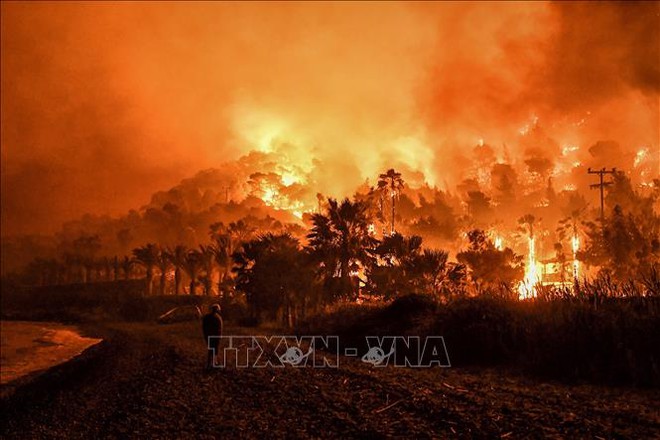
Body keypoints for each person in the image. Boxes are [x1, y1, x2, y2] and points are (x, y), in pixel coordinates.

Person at [202, 303, 223, 369]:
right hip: (215, 337)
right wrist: (219, 337)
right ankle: (214, 363)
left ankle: (209, 363)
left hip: (208, 336)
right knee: (215, 350)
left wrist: (205, 336)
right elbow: (219, 329)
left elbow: (204, 327)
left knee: (210, 349)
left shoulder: (206, 317)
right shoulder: (218, 318)